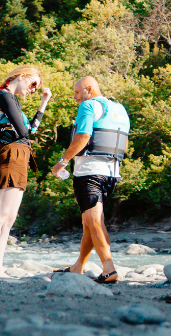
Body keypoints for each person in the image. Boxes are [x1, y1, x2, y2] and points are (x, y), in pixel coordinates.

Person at [51, 76, 131, 284]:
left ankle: (109, 268)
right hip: (111, 173)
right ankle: (78, 266)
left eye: (77, 92)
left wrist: (63, 161)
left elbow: (83, 136)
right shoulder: (120, 109)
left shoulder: (88, 105)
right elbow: (125, 143)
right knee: (89, 221)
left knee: (94, 221)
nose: (75, 97)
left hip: (89, 172)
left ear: (89, 90)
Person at [0, 66, 51, 279]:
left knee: (9, 218)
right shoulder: (4, 96)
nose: (33, 89)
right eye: (33, 84)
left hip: (20, 156)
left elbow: (30, 130)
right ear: (22, 76)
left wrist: (43, 102)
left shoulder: (11, 100)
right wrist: (25, 129)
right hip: (10, 155)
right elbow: (24, 131)